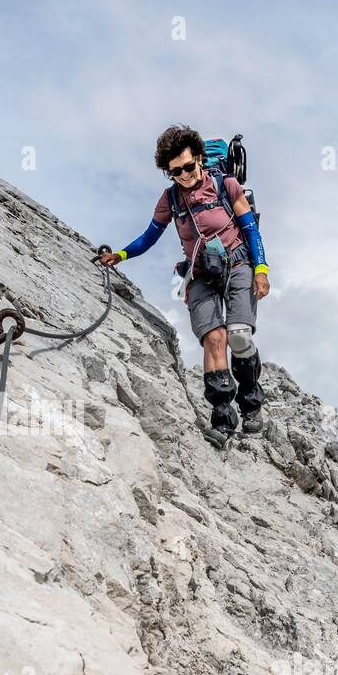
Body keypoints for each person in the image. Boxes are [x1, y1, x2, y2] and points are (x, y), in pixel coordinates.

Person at [101, 125, 270, 439]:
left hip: (238, 265)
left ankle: (251, 404)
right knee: (214, 339)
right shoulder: (171, 200)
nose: (184, 175)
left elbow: (250, 230)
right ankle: (222, 419)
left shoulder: (226, 185)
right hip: (200, 274)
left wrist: (261, 269)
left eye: (188, 167)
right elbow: (149, 236)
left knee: (239, 336)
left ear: (200, 159)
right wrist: (121, 255)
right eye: (175, 171)